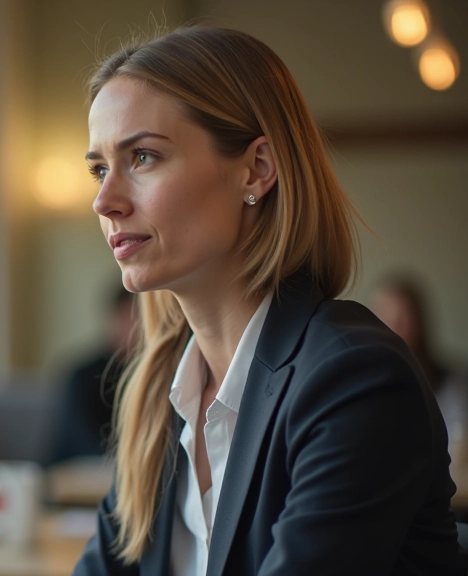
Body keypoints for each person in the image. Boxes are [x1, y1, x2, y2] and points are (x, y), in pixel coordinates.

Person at [74, 27, 464, 576]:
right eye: (98, 168)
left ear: (256, 169)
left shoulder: (355, 378)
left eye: (142, 157)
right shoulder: (161, 399)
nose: (104, 200)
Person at [371, 276, 468, 463]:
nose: (394, 327)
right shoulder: (359, 385)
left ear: (420, 321)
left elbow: (459, 448)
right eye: (385, 316)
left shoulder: (453, 386)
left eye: (403, 317)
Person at [49, 283, 137, 464]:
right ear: (114, 318)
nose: (140, 328)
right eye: (133, 318)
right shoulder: (83, 376)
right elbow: (82, 439)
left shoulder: (155, 375)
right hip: (76, 477)